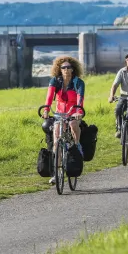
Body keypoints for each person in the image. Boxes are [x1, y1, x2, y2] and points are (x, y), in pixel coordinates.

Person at [41, 56, 85, 185]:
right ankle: (56, 174)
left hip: (73, 111)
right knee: (56, 141)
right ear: (59, 69)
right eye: (63, 68)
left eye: (68, 67)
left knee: (72, 124)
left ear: (73, 69)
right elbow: (49, 97)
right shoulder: (55, 81)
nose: (66, 70)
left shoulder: (78, 82)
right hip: (59, 113)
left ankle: (77, 144)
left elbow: (80, 98)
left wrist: (79, 112)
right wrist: (46, 110)